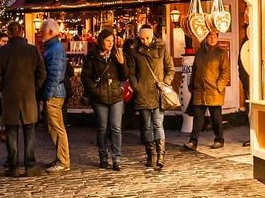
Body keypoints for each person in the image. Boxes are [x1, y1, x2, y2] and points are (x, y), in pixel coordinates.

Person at [0, 22, 46, 177]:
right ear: (22, 32)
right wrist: (33, 88)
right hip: (29, 97)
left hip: (10, 98)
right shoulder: (32, 51)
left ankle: (13, 166)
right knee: (29, 131)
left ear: (8, 33)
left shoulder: (1, 53)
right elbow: (42, 74)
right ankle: (30, 165)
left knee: (11, 131)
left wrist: (3, 89)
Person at [127, 23, 174, 170]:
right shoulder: (135, 51)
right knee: (146, 126)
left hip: (158, 92)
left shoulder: (162, 47)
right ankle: (150, 155)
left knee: (158, 124)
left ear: (152, 35)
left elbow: (170, 68)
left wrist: (165, 83)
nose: (145, 41)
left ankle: (160, 156)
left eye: (147, 38)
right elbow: (132, 73)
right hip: (143, 92)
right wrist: (136, 87)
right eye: (142, 38)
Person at [81, 27, 125, 169]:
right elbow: (85, 77)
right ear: (101, 41)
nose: (110, 43)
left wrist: (122, 63)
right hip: (99, 98)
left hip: (115, 96)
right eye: (107, 41)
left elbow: (125, 76)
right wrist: (95, 91)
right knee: (103, 128)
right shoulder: (92, 56)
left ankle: (116, 159)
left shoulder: (116, 55)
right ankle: (103, 157)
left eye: (112, 41)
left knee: (116, 128)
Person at [187, 29, 229, 150]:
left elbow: (225, 72)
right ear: (206, 38)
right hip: (199, 90)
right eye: (210, 36)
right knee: (198, 117)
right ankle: (193, 141)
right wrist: (192, 84)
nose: (212, 39)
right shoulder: (200, 52)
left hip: (214, 91)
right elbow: (194, 69)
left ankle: (219, 139)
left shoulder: (221, 53)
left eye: (215, 37)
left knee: (216, 117)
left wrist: (219, 86)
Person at [39, 18, 71, 173]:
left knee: (57, 127)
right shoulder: (53, 47)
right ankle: (61, 157)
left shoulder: (55, 49)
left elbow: (55, 74)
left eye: (42, 31)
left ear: (50, 32)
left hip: (55, 94)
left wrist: (48, 94)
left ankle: (64, 160)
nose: (40, 34)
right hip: (55, 92)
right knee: (54, 127)